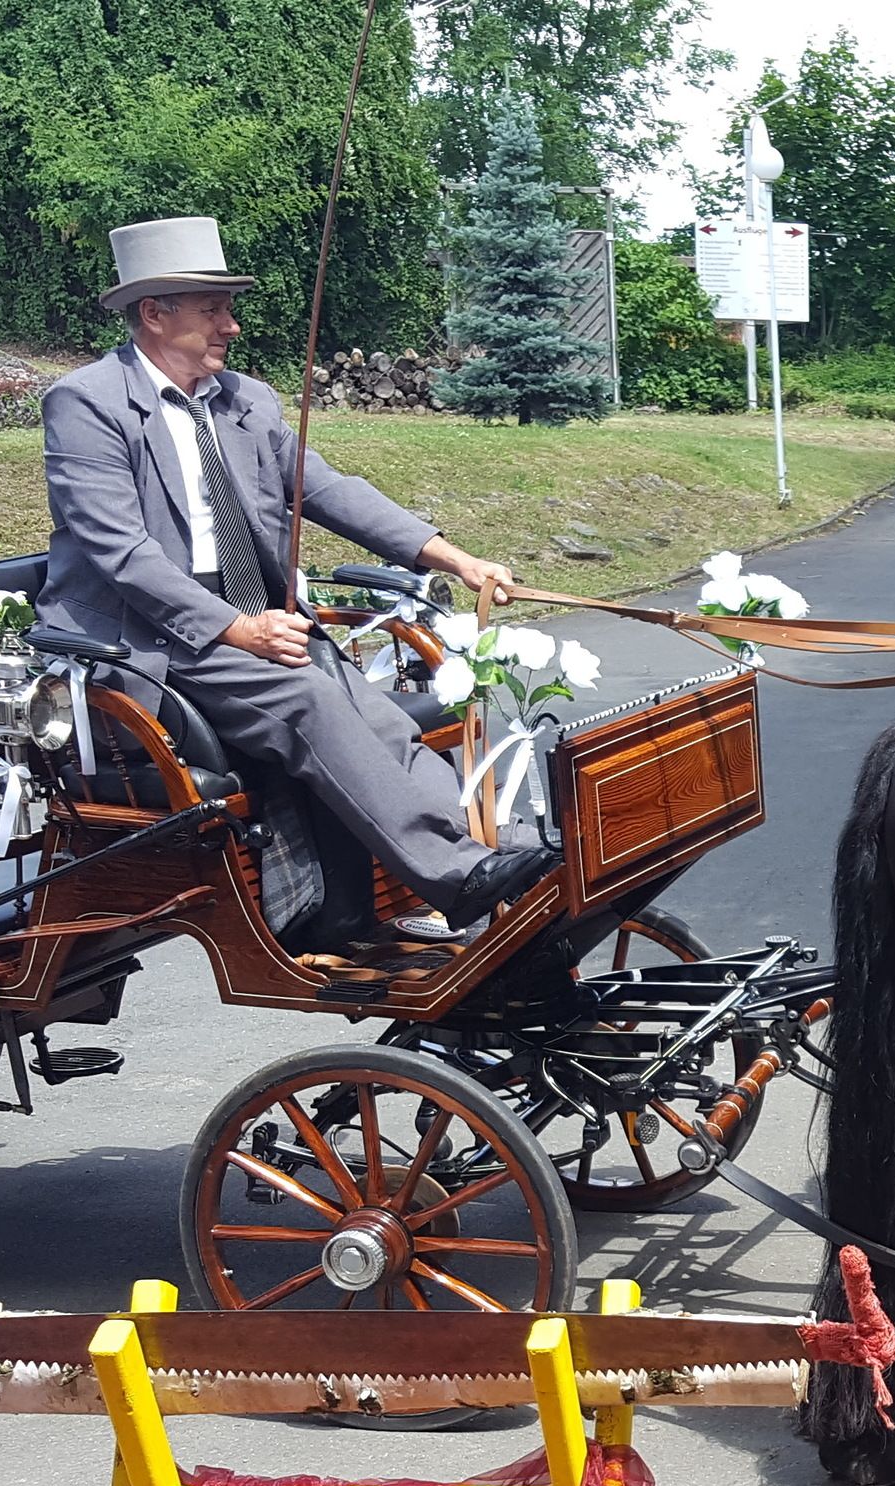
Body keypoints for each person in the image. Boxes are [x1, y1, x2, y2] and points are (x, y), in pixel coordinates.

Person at [39, 215, 557, 944]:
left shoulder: (245, 400)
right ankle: (450, 874)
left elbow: (328, 488)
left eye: (227, 308)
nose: (232, 325)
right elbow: (120, 551)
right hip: (149, 637)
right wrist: (236, 628)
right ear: (155, 314)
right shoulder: (88, 402)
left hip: (252, 621)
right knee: (308, 695)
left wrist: (453, 556)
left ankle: (497, 852)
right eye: (212, 309)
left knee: (377, 713)